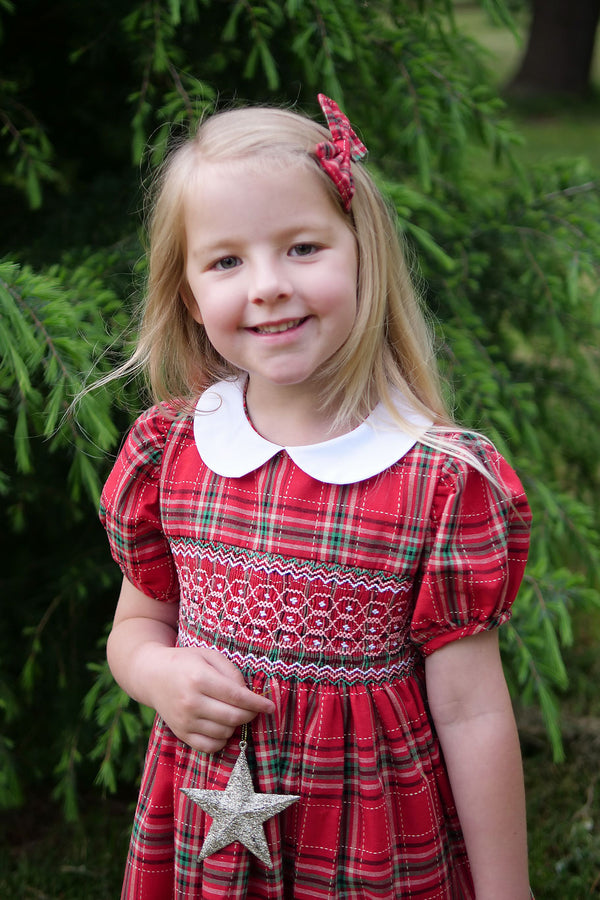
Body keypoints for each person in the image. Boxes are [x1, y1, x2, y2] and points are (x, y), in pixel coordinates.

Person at [100, 94, 533, 899]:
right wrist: (156, 673)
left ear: (362, 253)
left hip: (369, 843)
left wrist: (508, 888)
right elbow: (135, 626)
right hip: (209, 827)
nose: (266, 286)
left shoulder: (437, 478)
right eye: (226, 261)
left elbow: (473, 712)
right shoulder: (175, 451)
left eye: (302, 247)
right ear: (191, 295)